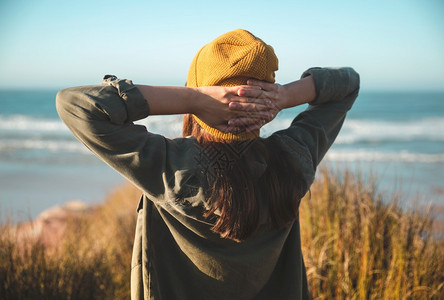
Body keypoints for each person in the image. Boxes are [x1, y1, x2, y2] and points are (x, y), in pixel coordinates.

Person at [56, 29, 359, 300]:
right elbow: (347, 84)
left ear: (203, 92)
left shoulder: (172, 166)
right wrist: (285, 96)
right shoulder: (294, 157)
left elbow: (76, 105)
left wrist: (194, 99)